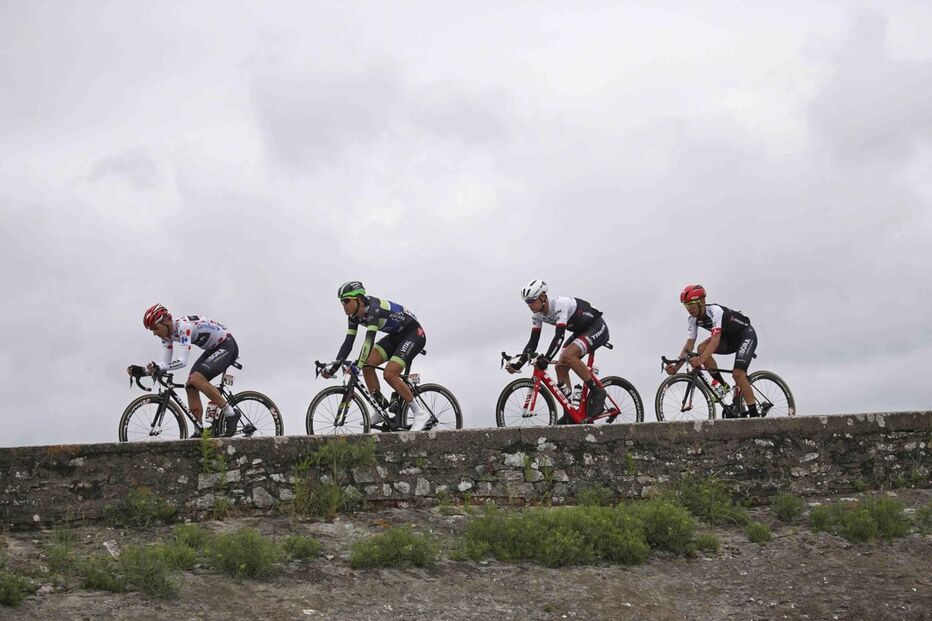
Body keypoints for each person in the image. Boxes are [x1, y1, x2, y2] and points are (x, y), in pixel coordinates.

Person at [322, 281, 432, 431]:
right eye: (342, 302)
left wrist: (357, 366)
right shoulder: (353, 317)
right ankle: (380, 409)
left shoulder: (373, 309)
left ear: (359, 299)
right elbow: (348, 343)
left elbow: (369, 341)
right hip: (395, 336)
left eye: (347, 300)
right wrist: (333, 369)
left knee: (389, 374)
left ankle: (420, 413)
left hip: (413, 334)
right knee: (368, 366)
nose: (344, 305)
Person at [128, 304, 240, 436]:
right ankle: (199, 431)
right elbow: (165, 363)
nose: (154, 333)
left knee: (196, 379)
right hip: (212, 349)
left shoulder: (183, 327)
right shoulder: (166, 336)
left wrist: (159, 367)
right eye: (151, 330)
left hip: (227, 345)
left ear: (166, 322)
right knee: (190, 385)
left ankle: (231, 414)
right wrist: (144, 371)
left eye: (155, 328)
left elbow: (182, 361)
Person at [506, 279, 608, 421]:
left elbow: (559, 337)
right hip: (580, 331)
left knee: (568, 356)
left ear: (542, 297)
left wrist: (546, 359)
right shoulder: (537, 315)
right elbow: (532, 342)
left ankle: (597, 392)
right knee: (560, 367)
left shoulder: (560, 305)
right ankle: (570, 412)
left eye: (531, 301)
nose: (529, 305)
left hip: (596, 327)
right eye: (527, 302)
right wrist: (519, 363)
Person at [665, 284, 760, 417]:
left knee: (738, 374)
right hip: (728, 340)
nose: (689, 308)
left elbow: (715, 341)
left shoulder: (715, 312)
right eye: (686, 305)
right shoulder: (693, 320)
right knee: (701, 348)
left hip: (745, 335)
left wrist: (700, 360)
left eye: (691, 304)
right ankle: (723, 386)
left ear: (702, 302)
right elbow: (689, 345)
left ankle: (754, 415)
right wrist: (676, 367)